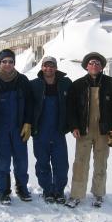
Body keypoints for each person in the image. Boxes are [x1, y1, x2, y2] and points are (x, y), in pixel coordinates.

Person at [65, 52, 112, 208]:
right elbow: (70, 109)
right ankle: (76, 194)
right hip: (83, 130)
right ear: (86, 66)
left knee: (101, 163)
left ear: (102, 66)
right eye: (91, 63)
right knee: (80, 163)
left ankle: (98, 194)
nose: (94, 65)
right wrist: (74, 126)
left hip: (105, 131)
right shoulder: (77, 85)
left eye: (98, 63)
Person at [0, 49, 32, 205]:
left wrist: (28, 122)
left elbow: (30, 104)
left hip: (19, 128)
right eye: (4, 61)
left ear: (14, 63)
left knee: (21, 161)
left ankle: (22, 188)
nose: (7, 64)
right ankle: (3, 191)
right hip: (0, 128)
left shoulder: (23, 80)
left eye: (10, 61)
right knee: (2, 161)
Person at [31, 56, 72, 204]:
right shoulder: (34, 85)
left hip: (58, 130)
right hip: (40, 131)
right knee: (42, 162)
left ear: (56, 68)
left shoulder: (65, 84)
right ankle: (47, 190)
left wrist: (71, 125)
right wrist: (29, 125)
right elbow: (28, 107)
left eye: (52, 66)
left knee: (61, 163)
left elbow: (73, 106)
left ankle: (59, 190)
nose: (49, 68)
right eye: (46, 66)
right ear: (42, 67)